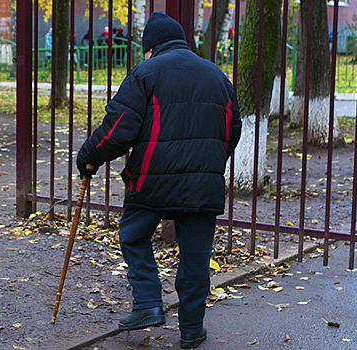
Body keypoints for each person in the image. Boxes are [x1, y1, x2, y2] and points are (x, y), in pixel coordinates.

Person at [76, 12, 241, 349]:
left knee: (133, 235)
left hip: (152, 181)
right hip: (203, 186)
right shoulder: (217, 76)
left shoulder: (145, 73)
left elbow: (117, 129)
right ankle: (192, 330)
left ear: (150, 47)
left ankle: (148, 302)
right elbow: (233, 130)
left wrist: (89, 157)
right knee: (196, 257)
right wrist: (208, 163)